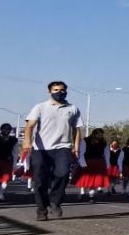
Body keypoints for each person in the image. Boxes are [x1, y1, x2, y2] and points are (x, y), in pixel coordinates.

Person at [22, 81, 84, 221]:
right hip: (41, 149)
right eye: (56, 90)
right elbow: (29, 125)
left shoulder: (73, 109)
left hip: (62, 147)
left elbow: (76, 130)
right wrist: (27, 141)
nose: (59, 92)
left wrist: (76, 147)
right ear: (49, 91)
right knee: (40, 180)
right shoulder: (40, 107)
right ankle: (42, 208)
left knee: (62, 174)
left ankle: (55, 202)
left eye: (62, 90)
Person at [73, 128, 111, 202]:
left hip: (99, 163)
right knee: (84, 180)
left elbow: (107, 154)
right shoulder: (85, 141)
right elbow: (82, 153)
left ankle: (91, 196)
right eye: (98, 134)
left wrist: (107, 164)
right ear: (94, 134)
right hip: (87, 162)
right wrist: (82, 163)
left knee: (94, 182)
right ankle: (82, 192)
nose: (100, 136)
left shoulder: (104, 142)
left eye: (101, 134)